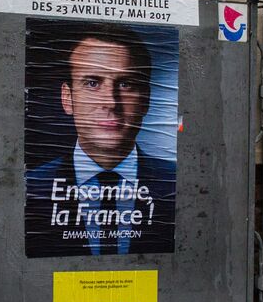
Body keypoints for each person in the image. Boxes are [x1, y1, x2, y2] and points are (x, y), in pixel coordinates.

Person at [24, 23, 176, 257]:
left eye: (126, 84)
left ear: (145, 99)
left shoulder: (178, 184)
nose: (111, 102)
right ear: (67, 98)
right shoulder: (30, 188)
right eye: (92, 83)